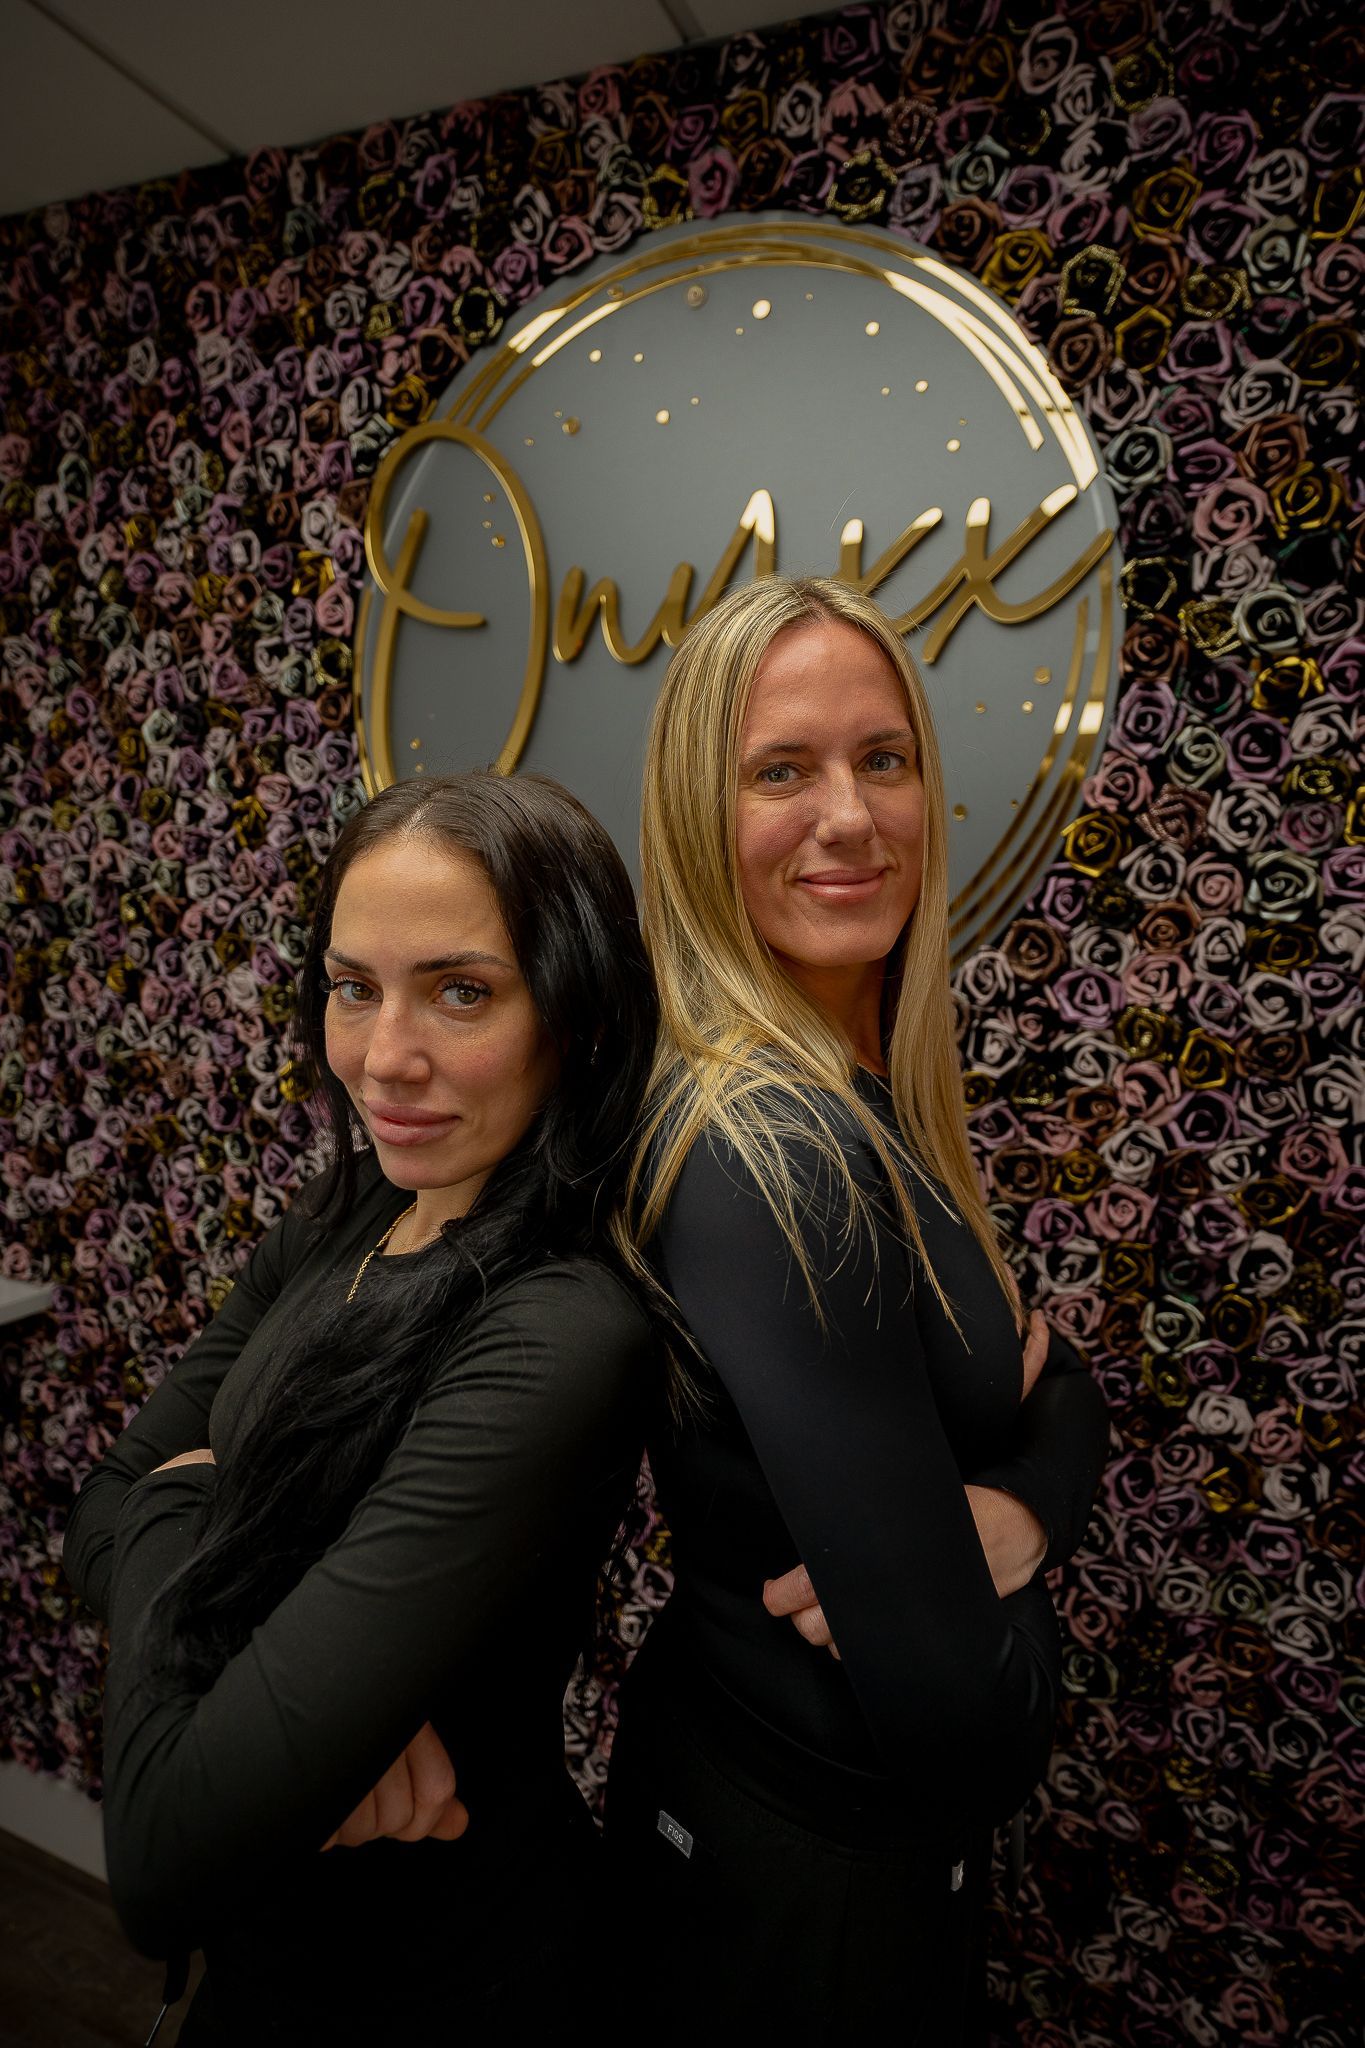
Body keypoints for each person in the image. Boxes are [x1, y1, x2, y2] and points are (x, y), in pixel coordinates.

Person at [63, 771, 658, 2044]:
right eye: (353, 986)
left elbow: (159, 1854)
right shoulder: (347, 1213)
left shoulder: (559, 1327)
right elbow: (101, 1506)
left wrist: (188, 1498)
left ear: (579, 1016)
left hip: (440, 1983)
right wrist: (273, 1681)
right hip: (265, 1964)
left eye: (462, 990)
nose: (384, 1057)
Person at [603, 576, 1109, 2042]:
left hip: (824, 1850)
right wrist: (980, 1574)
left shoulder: (866, 1093)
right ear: (703, 814)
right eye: (782, 770)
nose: (850, 815)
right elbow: (972, 1725)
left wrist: (1009, 1514)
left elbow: (1052, 1379)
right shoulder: (774, 1146)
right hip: (790, 1871)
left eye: (882, 758)